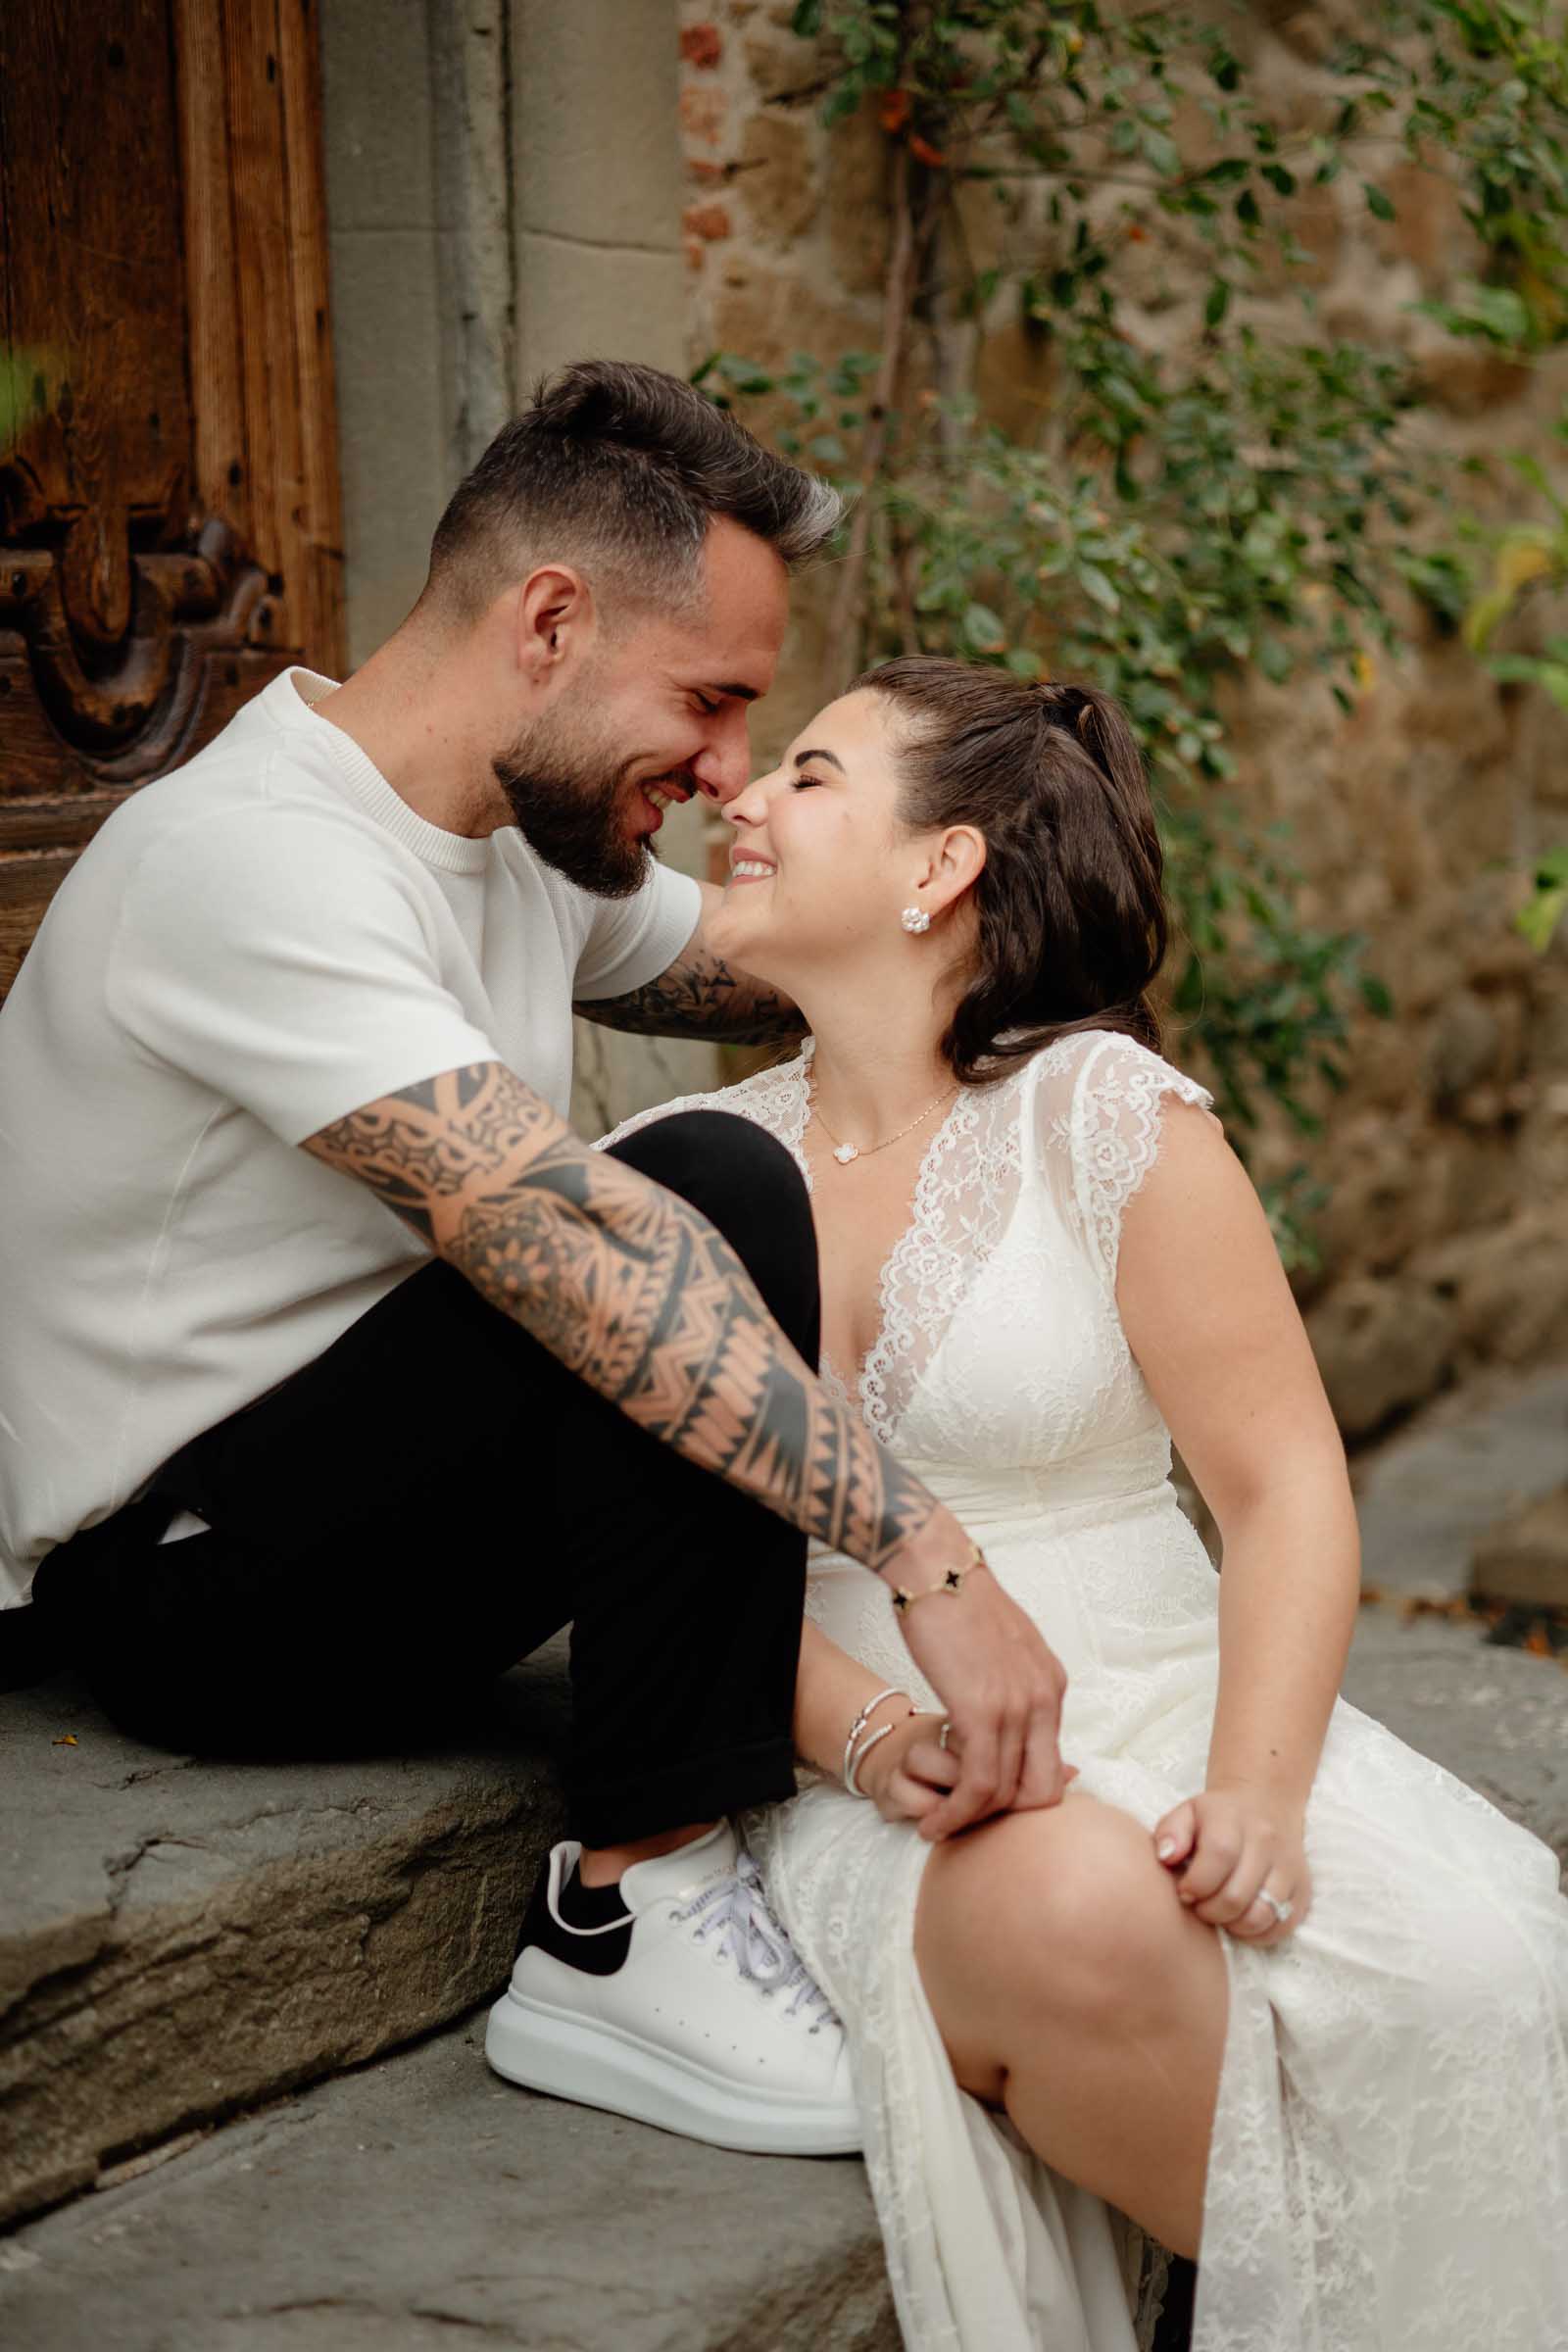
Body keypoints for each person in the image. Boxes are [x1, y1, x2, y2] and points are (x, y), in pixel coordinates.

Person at [0, 367, 1075, 2161]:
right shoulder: (250, 861)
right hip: (184, 1592)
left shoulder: (517, 840)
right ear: (553, 623)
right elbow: (579, 1250)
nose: (727, 771)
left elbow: (753, 964)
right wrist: (932, 1564)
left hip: (360, 1508)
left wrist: (1026, 978)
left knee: (703, 1187)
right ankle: (625, 1914)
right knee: (689, 1192)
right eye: (713, 702)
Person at [597, 657, 1568, 2349]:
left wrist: (1254, 1791)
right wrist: (874, 1739)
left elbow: (1282, 1483)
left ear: (941, 866)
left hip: (1180, 1698)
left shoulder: (1098, 1114)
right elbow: (667, 1567)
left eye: (810, 775)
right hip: (865, 1754)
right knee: (1074, 1911)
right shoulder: (679, 1163)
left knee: (1473, 1962)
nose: (738, 798)